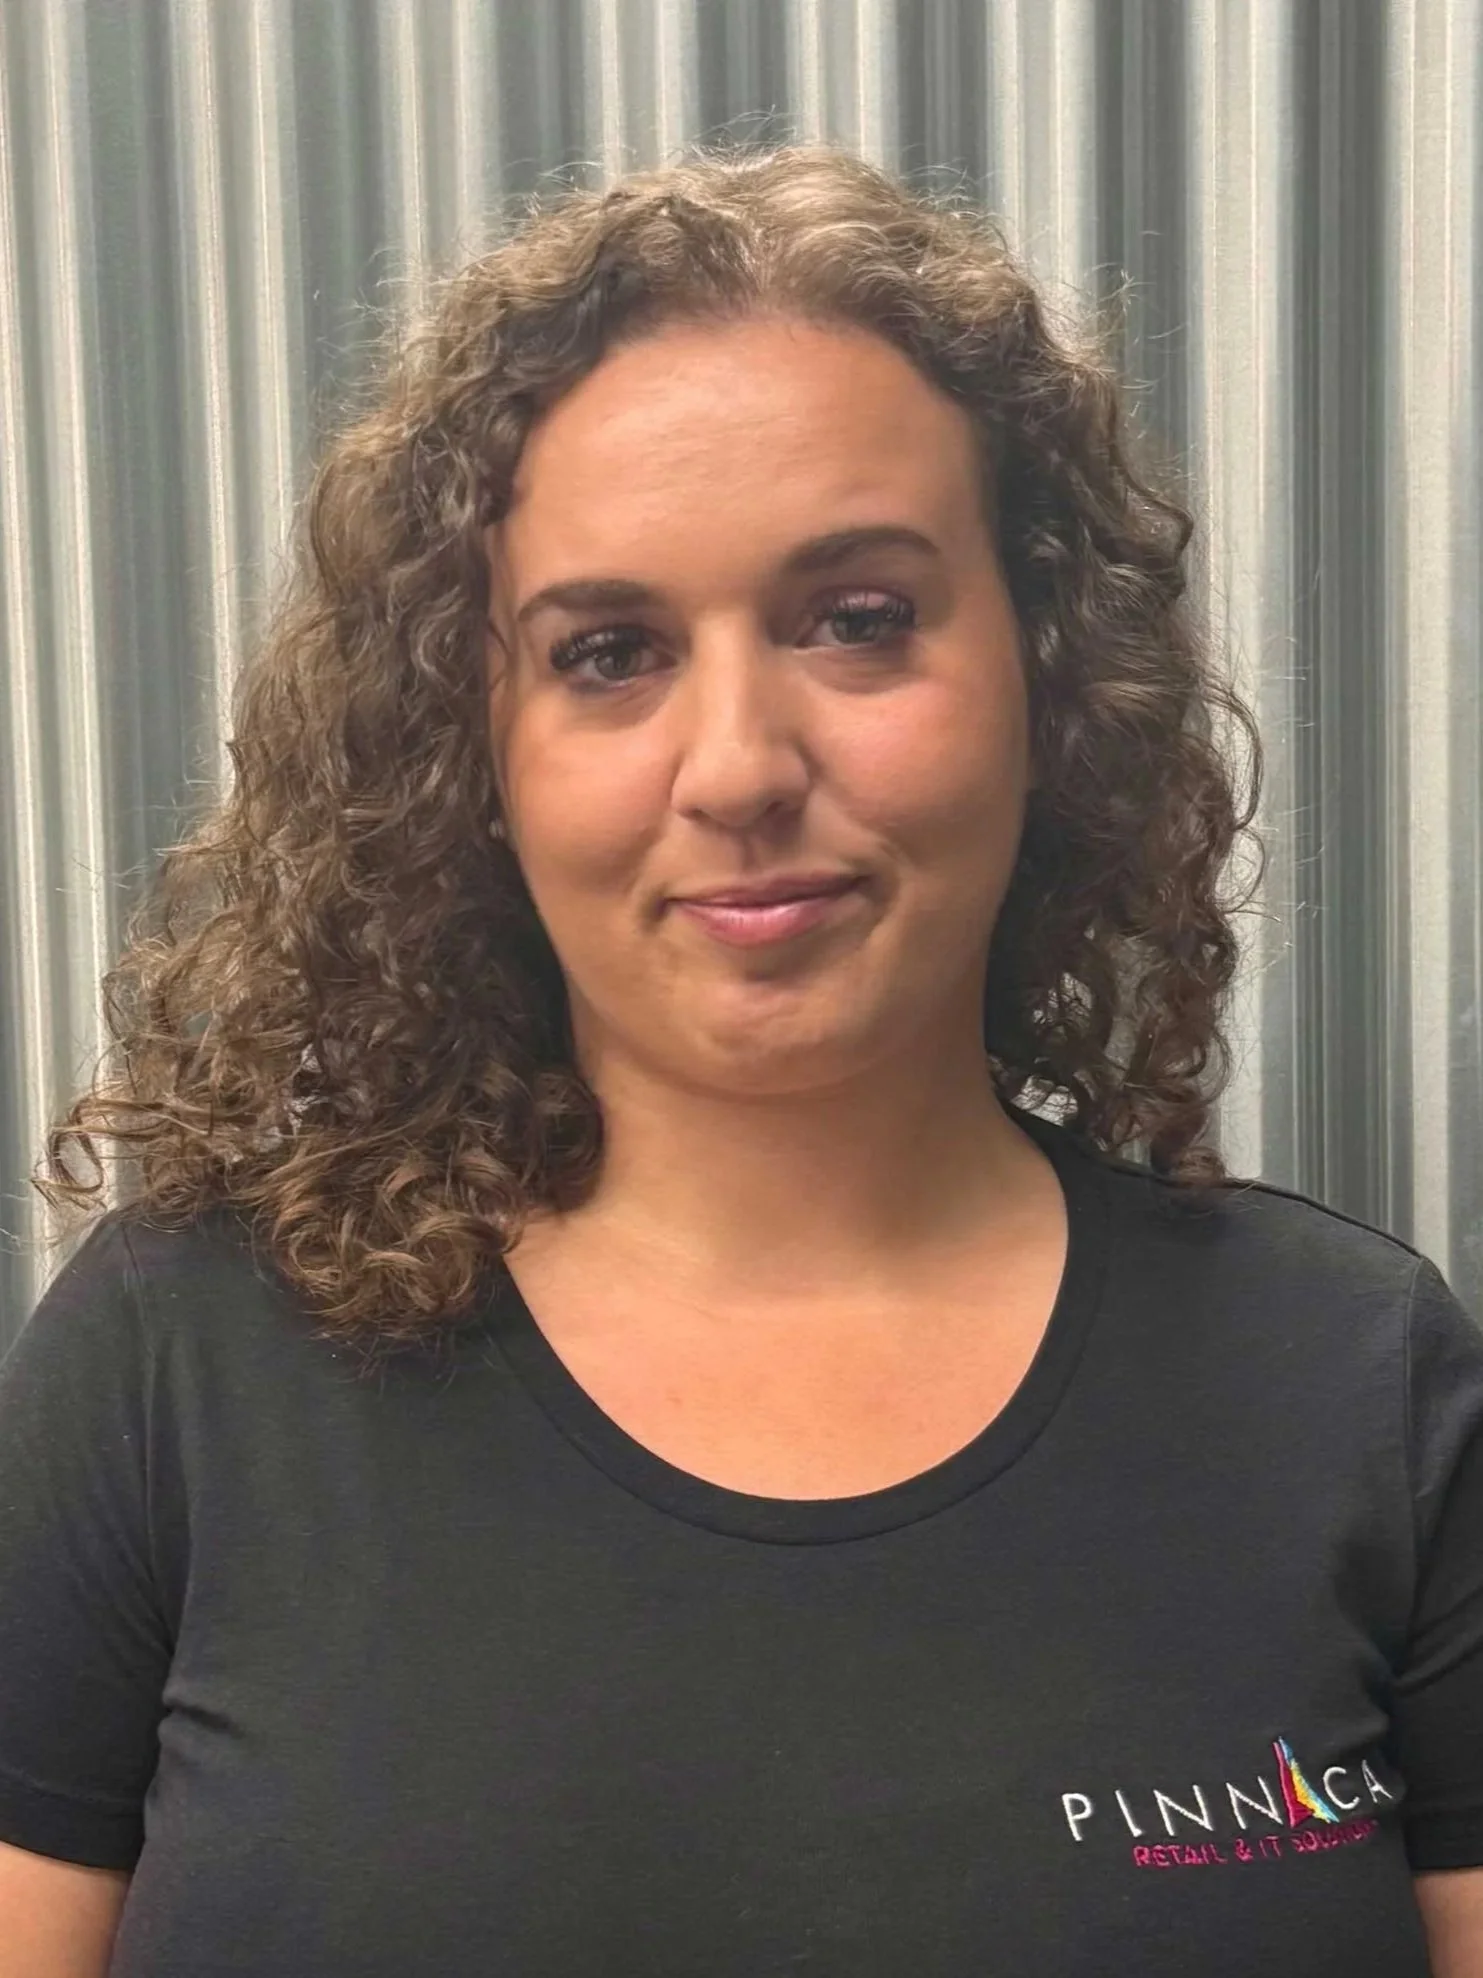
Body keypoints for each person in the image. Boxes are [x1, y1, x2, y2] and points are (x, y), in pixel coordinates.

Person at [0, 141, 1479, 1978]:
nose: (736, 765)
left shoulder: (1352, 1380)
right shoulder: (177, 1373)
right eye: (607, 651)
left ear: (1044, 666)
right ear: (477, 756)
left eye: (856, 617)